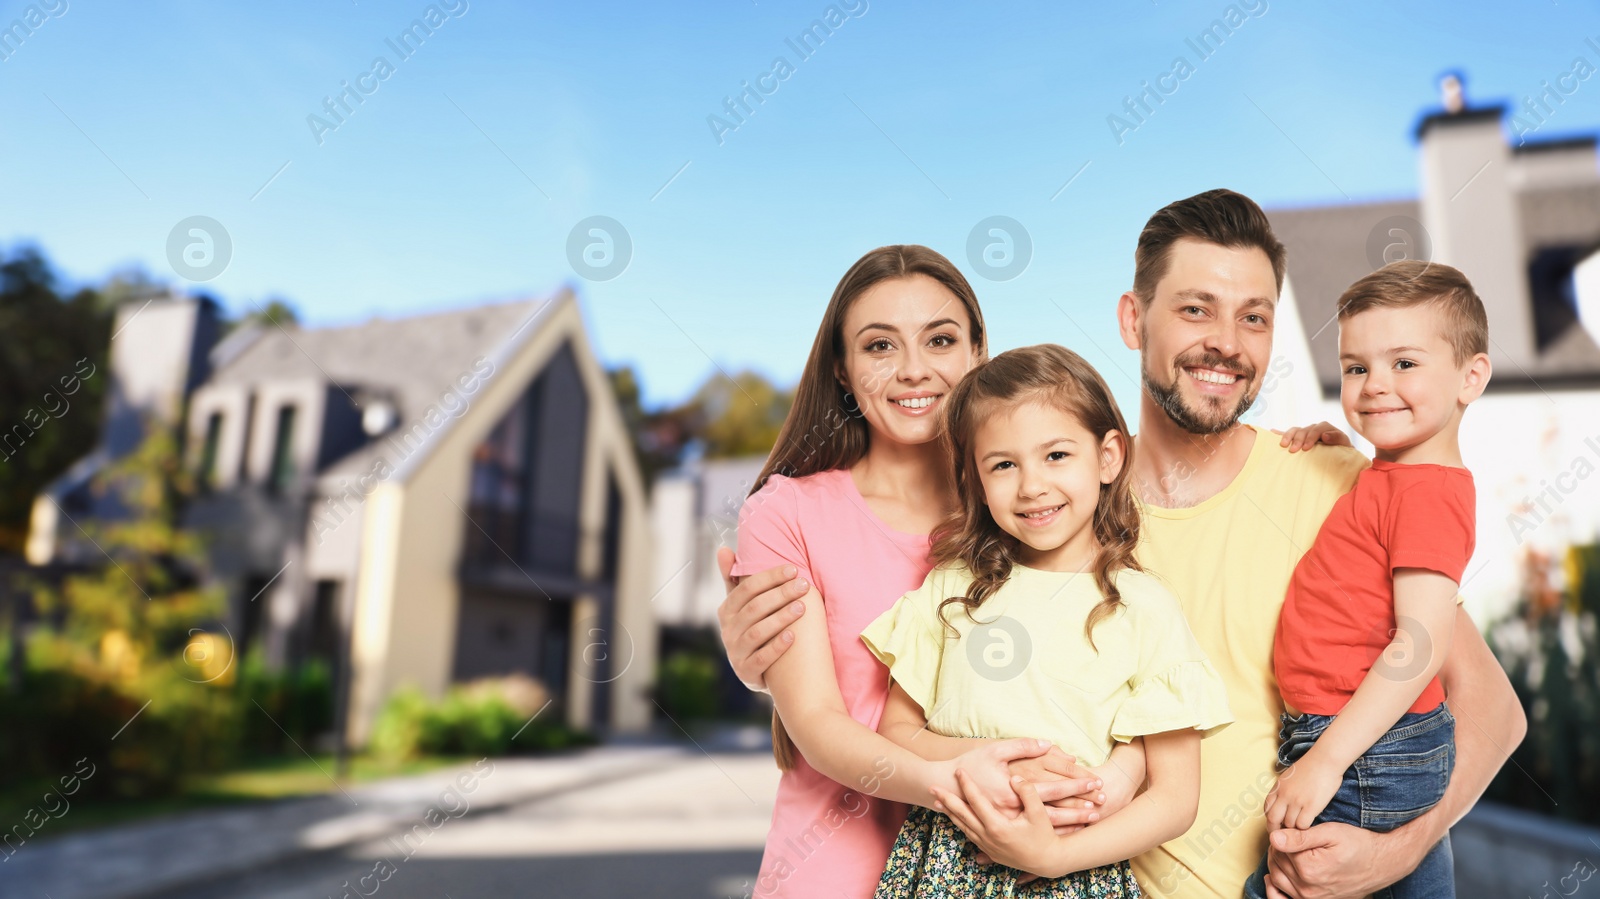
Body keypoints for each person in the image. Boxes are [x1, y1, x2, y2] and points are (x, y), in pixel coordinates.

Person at [720, 189, 1526, 899]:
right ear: (1133, 320)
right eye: (1195, 308)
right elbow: (899, 659)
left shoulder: (1332, 481)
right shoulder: (1048, 511)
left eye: (1254, 316)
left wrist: (1397, 850)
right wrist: (762, 660)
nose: (1225, 341)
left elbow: (1491, 709)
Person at [729, 245, 1129, 899]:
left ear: (977, 352)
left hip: (1012, 875)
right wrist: (953, 783)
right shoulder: (787, 512)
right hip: (832, 876)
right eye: (879, 346)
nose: (913, 370)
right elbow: (818, 722)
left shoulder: (1033, 504)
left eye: (940, 339)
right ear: (843, 367)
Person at [863, 344, 1233, 898]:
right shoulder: (951, 589)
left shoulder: (1146, 608)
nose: (1032, 485)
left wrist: (1058, 856)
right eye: (1004, 465)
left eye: (1056, 455)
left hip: (1075, 870)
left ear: (1107, 457)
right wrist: (985, 764)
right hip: (944, 862)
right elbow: (897, 732)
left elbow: (1175, 799)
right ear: (977, 480)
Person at [1243, 260, 1492, 899]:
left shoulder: (1429, 495)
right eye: (1358, 368)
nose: (1375, 386)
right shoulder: (1393, 474)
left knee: (1287, 883)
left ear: (1472, 377)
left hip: (1362, 745)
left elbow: (1420, 643)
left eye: (1404, 364)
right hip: (1361, 740)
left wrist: (1326, 761)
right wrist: (1338, 445)